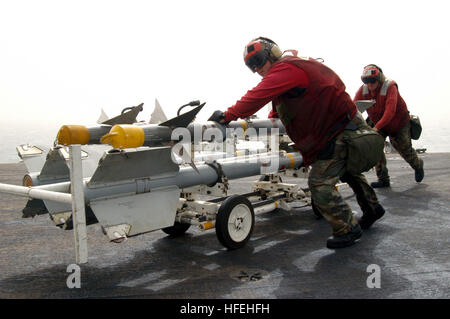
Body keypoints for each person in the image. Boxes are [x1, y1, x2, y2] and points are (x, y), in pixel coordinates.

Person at [209, 37, 386, 249]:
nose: (256, 68)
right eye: (251, 66)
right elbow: (287, 102)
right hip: (342, 127)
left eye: (258, 60)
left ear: (271, 54)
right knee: (347, 171)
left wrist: (228, 115)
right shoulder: (292, 68)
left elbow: (259, 94)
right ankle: (372, 209)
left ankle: (347, 229)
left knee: (319, 182)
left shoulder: (286, 68)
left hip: (339, 132)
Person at [353, 64, 424, 188]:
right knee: (375, 147)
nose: (369, 84)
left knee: (404, 149)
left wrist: (376, 128)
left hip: (398, 124)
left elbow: (389, 112)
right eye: (366, 81)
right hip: (378, 122)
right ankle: (383, 179)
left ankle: (418, 165)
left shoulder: (390, 87)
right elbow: (352, 108)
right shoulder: (363, 90)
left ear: (379, 78)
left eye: (372, 81)